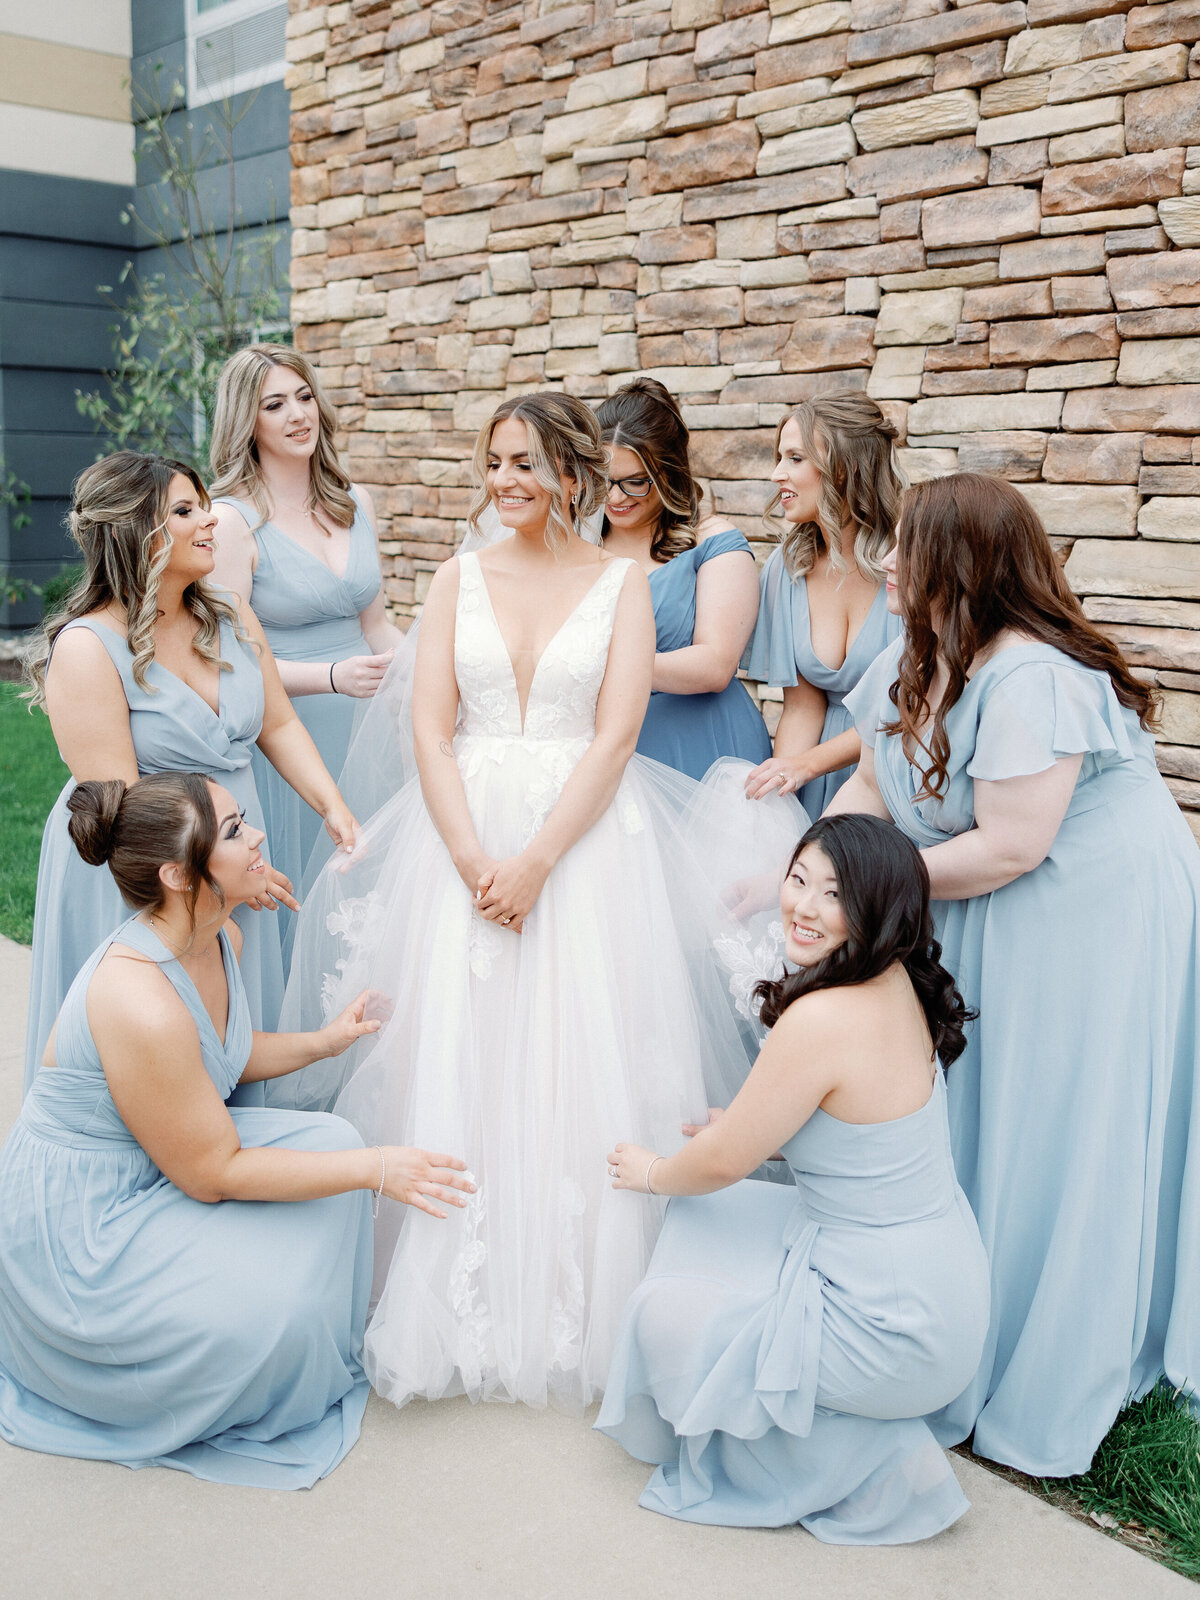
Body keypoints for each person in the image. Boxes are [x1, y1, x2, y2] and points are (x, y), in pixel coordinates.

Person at [277, 392, 803, 1414]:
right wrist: (475, 854)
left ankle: (576, 1296)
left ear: (571, 474)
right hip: (462, 841)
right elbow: (432, 730)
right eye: (493, 463)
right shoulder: (455, 576)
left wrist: (536, 863)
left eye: (525, 462)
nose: (505, 482)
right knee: (466, 1048)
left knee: (577, 1048)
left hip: (586, 845)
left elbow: (614, 737)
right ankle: (452, 1295)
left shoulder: (620, 586)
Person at [836, 471, 1200, 1477]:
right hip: (996, 906)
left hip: (1093, 909)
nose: (888, 561)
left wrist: (861, 888)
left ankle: (1049, 1352)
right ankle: (960, 1322)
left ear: (961, 560)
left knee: (1057, 1122)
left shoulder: (1032, 674)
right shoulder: (920, 653)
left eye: (908, 546)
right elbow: (871, 776)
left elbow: (1009, 846)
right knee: (985, 1106)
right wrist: (815, 858)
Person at [0, 772, 471, 1488]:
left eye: (244, 822)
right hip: (87, 1224)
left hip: (169, 1152)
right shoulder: (137, 998)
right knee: (280, 1302)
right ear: (177, 875)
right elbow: (211, 1173)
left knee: (335, 1144)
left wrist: (325, 1041)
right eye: (233, 834)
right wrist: (379, 1169)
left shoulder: (222, 939)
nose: (257, 841)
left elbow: (220, 1050)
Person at [598, 814, 988, 1543]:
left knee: (664, 1313)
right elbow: (858, 1126)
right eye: (798, 879)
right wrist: (758, 1124)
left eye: (833, 894)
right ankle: (861, 1423)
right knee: (707, 1226)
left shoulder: (823, 1016)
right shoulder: (897, 980)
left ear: (878, 908)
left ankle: (881, 1456)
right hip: (942, 1290)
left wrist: (650, 1172)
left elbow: (718, 1164)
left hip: (894, 1327)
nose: (804, 906)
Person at [22, 453, 357, 1098]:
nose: (210, 520)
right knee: (163, 1059)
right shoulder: (89, 647)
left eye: (203, 505)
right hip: (155, 873)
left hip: (231, 851)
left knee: (235, 1032)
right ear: (134, 531)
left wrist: (332, 805)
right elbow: (127, 813)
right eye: (185, 511)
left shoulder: (230, 618)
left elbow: (279, 726)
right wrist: (209, 898)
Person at [209, 344, 407, 932]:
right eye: (275, 404)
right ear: (247, 420)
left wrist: (418, 668)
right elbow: (229, 661)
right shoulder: (229, 522)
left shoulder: (355, 503)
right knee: (308, 902)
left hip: (368, 728)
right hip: (288, 732)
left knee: (376, 894)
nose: (298, 414)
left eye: (304, 396)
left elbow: (376, 625)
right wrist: (330, 678)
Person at [596, 378, 771, 780]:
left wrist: (594, 662)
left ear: (669, 471)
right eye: (602, 479)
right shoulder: (574, 546)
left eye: (635, 481)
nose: (615, 498)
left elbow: (715, 665)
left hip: (703, 747)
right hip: (603, 748)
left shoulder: (712, 542)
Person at [742, 393, 902, 816]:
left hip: (899, 769)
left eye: (795, 458)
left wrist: (806, 765)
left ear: (844, 469)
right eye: (780, 457)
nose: (778, 474)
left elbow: (912, 708)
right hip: (815, 776)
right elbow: (801, 707)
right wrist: (780, 793)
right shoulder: (787, 567)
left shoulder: (910, 562)